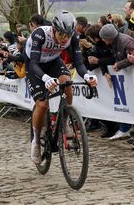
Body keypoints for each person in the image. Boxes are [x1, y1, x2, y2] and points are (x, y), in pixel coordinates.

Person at [25, 10, 97, 164]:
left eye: (68, 35)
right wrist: (46, 79)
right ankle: (36, 141)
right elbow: (34, 64)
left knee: (66, 81)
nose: (65, 39)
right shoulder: (40, 35)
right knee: (42, 105)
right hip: (34, 65)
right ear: (53, 29)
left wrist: (87, 76)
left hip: (53, 62)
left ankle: (65, 120)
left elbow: (78, 63)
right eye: (61, 35)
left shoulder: (73, 36)